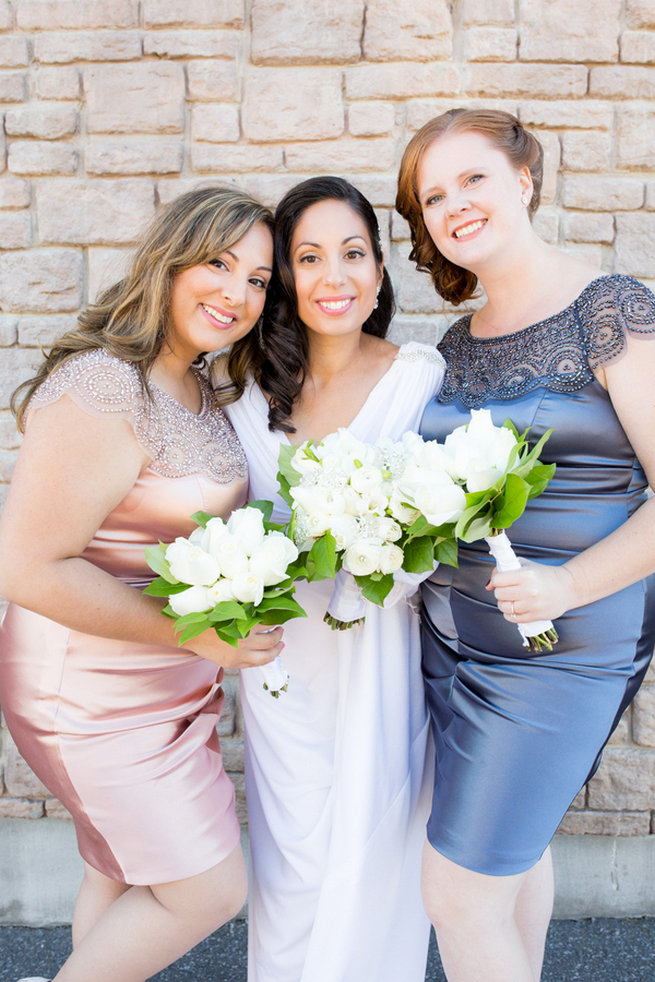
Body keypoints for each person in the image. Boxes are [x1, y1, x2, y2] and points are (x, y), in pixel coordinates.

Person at [395, 107, 655, 982]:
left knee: (457, 891)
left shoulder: (607, 309)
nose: (454, 204)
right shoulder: (452, 347)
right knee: (511, 858)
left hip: (564, 646)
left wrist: (569, 586)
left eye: (471, 178)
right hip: (455, 644)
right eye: (433, 197)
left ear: (522, 180)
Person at [0, 186, 284, 982]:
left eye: (259, 280)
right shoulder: (103, 385)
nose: (237, 294)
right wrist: (187, 635)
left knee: (121, 872)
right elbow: (25, 567)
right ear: (171, 258)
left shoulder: (202, 389)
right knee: (205, 892)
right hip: (85, 691)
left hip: (174, 684)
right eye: (220, 264)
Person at [221, 176, 445, 982]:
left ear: (380, 271)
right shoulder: (246, 395)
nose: (333, 277)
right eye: (308, 257)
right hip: (283, 664)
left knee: (378, 846)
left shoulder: (419, 377)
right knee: (291, 862)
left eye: (352, 254)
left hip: (383, 650)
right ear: (283, 275)